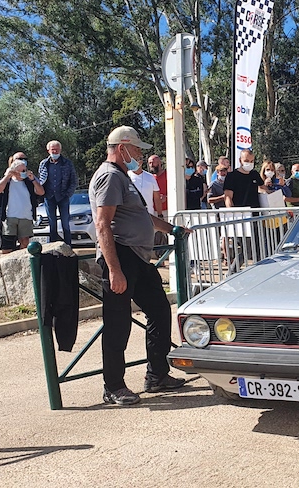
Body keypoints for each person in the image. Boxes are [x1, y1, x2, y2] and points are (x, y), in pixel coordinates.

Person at [90, 125, 191, 405]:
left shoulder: (123, 176)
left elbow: (143, 216)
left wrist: (171, 228)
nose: (139, 155)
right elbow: (102, 224)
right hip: (121, 256)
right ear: (122, 148)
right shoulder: (110, 177)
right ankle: (113, 386)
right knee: (117, 323)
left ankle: (157, 375)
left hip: (136, 256)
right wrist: (114, 269)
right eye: (136, 149)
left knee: (159, 309)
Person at [0, 152, 45, 253]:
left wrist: (33, 179)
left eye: (24, 170)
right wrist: (7, 176)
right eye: (20, 170)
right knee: (7, 245)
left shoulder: (29, 181)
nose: (22, 172)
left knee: (25, 244)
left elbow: (41, 192)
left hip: (26, 216)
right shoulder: (8, 181)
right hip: (10, 216)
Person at [38, 140, 79, 246]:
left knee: (65, 223)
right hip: (49, 197)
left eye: (57, 149)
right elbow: (40, 180)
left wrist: (68, 194)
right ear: (48, 150)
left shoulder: (67, 163)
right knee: (52, 224)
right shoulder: (44, 164)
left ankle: (68, 247)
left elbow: (74, 181)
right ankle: (53, 248)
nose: (55, 152)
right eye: (53, 150)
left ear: (60, 150)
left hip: (63, 197)